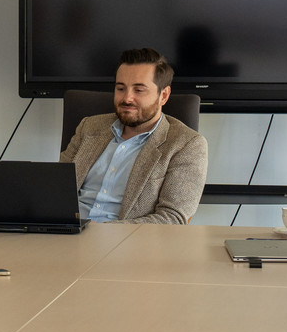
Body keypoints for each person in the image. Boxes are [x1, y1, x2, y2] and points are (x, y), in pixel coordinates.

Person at [60, 47, 208, 224]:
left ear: (163, 95)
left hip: (127, 237)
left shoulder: (187, 144)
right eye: (120, 88)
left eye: (138, 90)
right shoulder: (89, 126)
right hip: (66, 231)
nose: (127, 98)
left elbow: (172, 217)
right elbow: (57, 187)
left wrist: (101, 232)